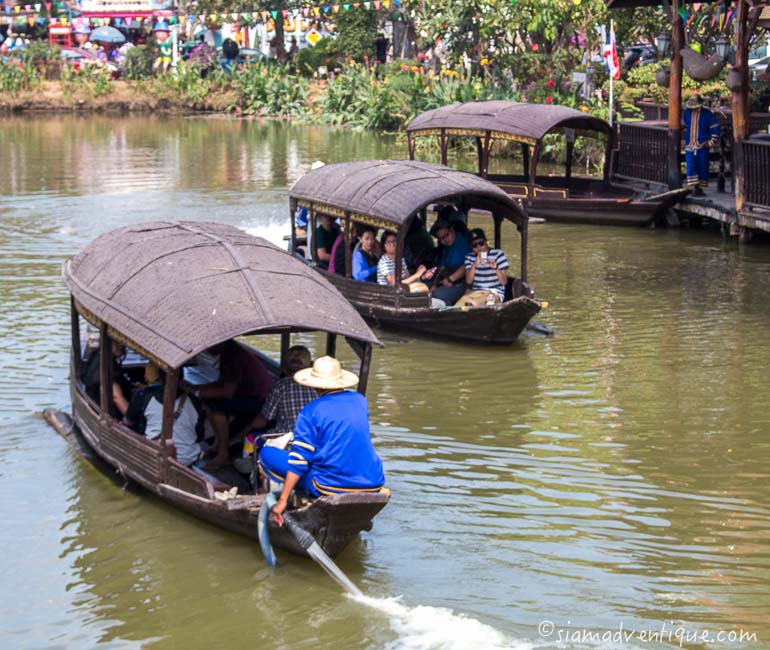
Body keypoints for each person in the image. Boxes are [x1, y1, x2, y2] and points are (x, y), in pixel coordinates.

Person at [259, 356, 386, 526]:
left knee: (266, 453)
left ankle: (295, 494)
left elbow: (299, 461)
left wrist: (281, 501)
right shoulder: (360, 401)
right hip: (373, 481)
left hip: (329, 485)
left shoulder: (310, 411)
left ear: (314, 384)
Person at [186, 339, 273, 470]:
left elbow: (227, 392)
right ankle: (218, 443)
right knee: (211, 403)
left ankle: (223, 454)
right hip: (246, 395)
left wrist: (197, 393)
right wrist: (197, 388)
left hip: (260, 401)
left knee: (217, 407)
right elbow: (221, 383)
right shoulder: (227, 355)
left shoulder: (235, 357)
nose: (206, 350)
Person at [124, 364, 206, 466]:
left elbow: (128, 422)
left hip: (156, 457)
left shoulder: (146, 397)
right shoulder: (194, 401)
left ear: (160, 378)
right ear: (182, 379)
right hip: (187, 459)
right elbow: (200, 436)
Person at [250, 346, 316, 435]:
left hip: (286, 438)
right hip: (313, 438)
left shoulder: (281, 385)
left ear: (285, 365)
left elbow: (262, 421)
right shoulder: (320, 386)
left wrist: (244, 432)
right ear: (311, 365)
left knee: (251, 437)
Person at [457, 228, 510, 307]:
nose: (478, 247)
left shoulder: (498, 254)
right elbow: (468, 281)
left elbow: (504, 282)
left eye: (481, 243)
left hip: (493, 293)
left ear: (486, 242)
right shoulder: (469, 257)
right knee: (460, 304)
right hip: (475, 292)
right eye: (474, 245)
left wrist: (496, 268)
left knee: (472, 304)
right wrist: (474, 265)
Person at [683, 94, 721, 196]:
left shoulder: (707, 114)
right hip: (690, 145)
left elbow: (716, 128)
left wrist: (711, 142)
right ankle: (694, 186)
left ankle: (699, 189)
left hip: (703, 145)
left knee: (703, 166)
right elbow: (686, 124)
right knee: (690, 165)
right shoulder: (686, 112)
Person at [428, 218, 472, 306]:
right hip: (448, 279)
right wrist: (434, 284)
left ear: (452, 229)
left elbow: (467, 265)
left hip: (464, 282)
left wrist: (450, 279)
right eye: (441, 239)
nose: (445, 240)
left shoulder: (464, 242)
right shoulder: (446, 247)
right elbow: (442, 267)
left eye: (446, 235)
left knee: (438, 294)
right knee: (426, 288)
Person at [84, 339, 131, 416]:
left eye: (122, 342)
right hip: (109, 413)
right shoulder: (109, 367)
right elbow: (117, 397)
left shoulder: (96, 356)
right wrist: (131, 419)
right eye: (117, 342)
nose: (121, 346)